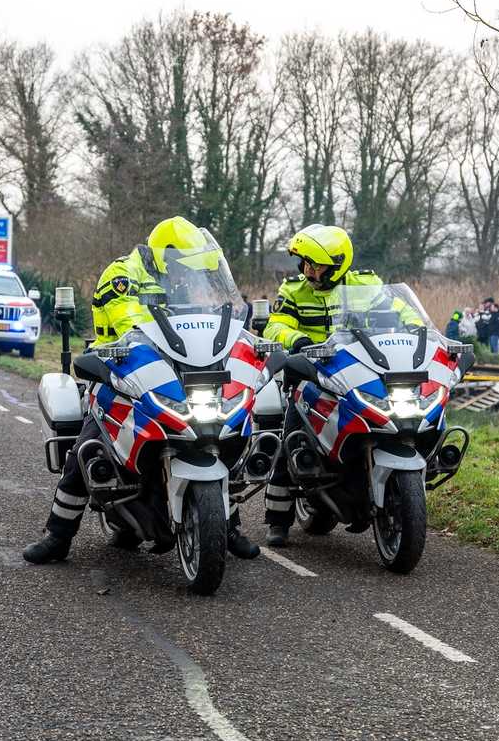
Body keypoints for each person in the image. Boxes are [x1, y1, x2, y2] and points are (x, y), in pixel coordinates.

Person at [23, 216, 261, 564]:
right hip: (119, 371)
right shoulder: (122, 276)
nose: (187, 277)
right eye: (185, 268)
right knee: (87, 448)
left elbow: (211, 316)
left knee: (220, 435)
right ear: (167, 256)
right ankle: (58, 535)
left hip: (178, 371)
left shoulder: (184, 280)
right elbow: (131, 325)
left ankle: (227, 525)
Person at [260, 223, 423, 547]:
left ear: (336, 264)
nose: (307, 270)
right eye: (304, 262)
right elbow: (274, 327)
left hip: (360, 371)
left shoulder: (366, 285)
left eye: (315, 264)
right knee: (291, 436)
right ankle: (278, 519)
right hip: (312, 372)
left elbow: (404, 312)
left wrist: (420, 332)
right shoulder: (294, 290)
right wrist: (297, 340)